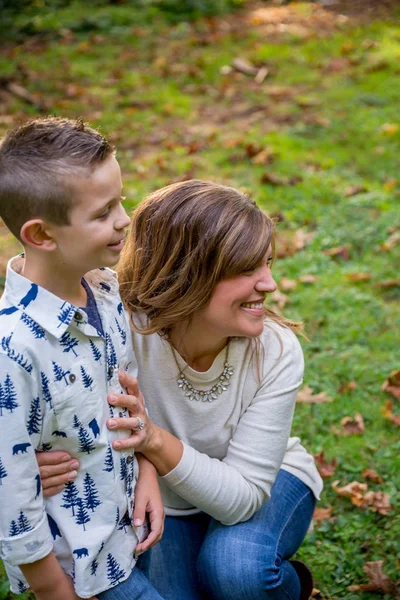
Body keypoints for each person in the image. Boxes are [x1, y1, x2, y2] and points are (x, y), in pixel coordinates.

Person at [38, 180, 324, 600]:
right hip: (160, 499)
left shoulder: (276, 351)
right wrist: (31, 463)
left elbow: (242, 498)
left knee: (236, 571)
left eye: (266, 264)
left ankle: (289, 587)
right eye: (247, 270)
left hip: (263, 481)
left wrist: (152, 439)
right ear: (187, 274)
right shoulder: (116, 323)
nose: (270, 284)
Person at [0, 117, 164, 600]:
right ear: (42, 235)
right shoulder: (14, 349)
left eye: (121, 200)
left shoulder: (106, 292)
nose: (124, 220)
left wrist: (149, 471)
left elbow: (129, 399)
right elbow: (10, 490)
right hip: (80, 567)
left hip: (133, 529)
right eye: (103, 212)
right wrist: (54, 590)